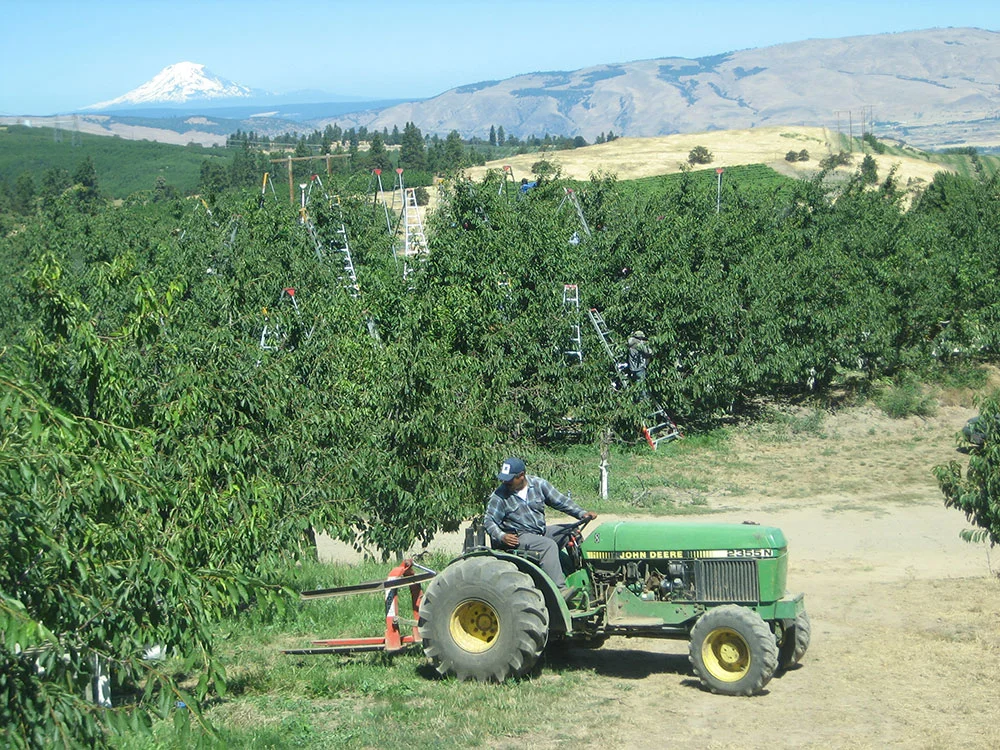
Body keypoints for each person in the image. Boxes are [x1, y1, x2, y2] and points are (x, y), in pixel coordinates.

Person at [484, 457, 597, 600]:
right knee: (548, 546)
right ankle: (560, 590)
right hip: (518, 536)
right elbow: (489, 521)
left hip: (540, 532)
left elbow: (561, 501)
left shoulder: (538, 485)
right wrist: (501, 536)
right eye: (503, 479)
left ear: (522, 475)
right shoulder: (500, 495)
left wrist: (581, 513)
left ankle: (586, 577)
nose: (505, 482)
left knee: (571, 532)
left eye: (509, 479)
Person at [626, 330, 653, 399]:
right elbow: (649, 352)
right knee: (641, 385)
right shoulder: (640, 345)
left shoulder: (631, 341)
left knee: (636, 382)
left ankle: (638, 397)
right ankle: (643, 399)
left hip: (632, 367)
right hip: (639, 368)